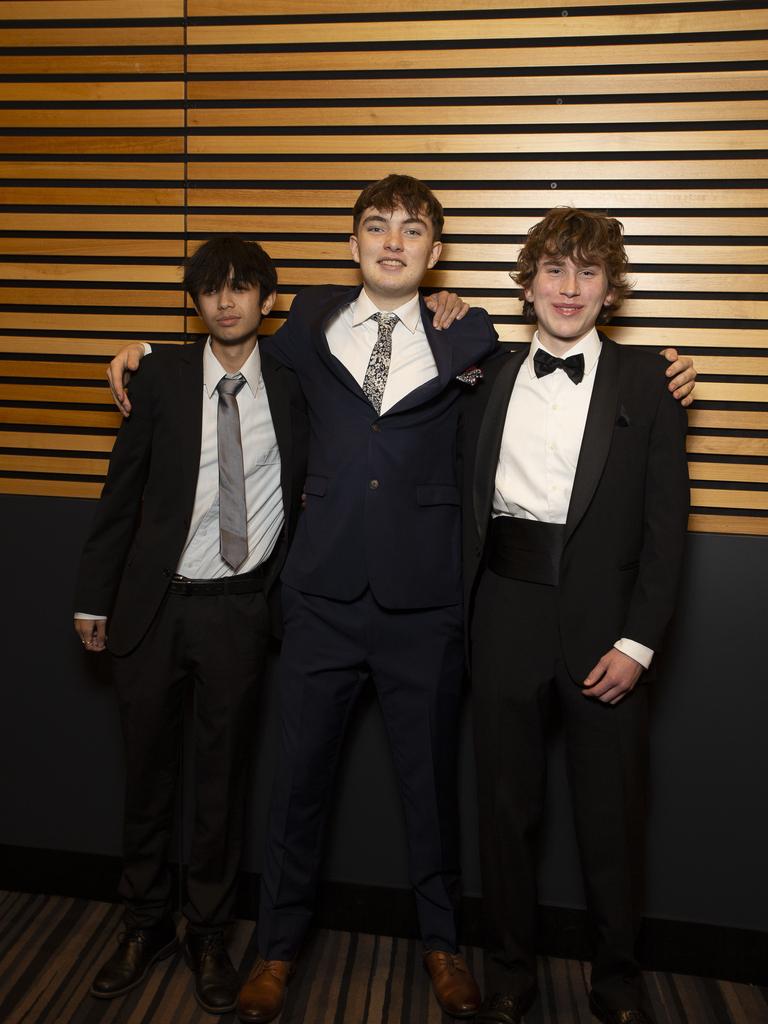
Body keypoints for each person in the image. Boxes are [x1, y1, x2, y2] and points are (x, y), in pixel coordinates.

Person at [105, 179, 697, 1023]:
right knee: (295, 785)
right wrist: (144, 352)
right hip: (320, 594)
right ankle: (275, 951)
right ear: (353, 244)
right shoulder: (305, 321)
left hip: (427, 604)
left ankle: (444, 949)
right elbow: (225, 342)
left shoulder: (472, 334)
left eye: (412, 229)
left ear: (435, 250)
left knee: (434, 790)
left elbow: (618, 433)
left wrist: (672, 370)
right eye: (376, 228)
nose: (393, 242)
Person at [461, 208, 690, 1024]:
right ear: (526, 284)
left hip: (607, 626)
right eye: (553, 270)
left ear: (611, 289)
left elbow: (668, 529)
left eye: (587, 272)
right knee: (504, 809)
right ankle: (510, 971)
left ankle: (618, 978)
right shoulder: (479, 375)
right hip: (503, 613)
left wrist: (638, 641)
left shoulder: (651, 384)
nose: (569, 287)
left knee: (611, 814)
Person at [73, 237, 308, 1015]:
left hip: (240, 612)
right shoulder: (165, 377)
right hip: (153, 608)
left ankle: (209, 935)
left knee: (221, 784)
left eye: (243, 289)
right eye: (212, 291)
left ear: (267, 300)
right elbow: (121, 493)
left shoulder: (301, 381)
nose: (227, 302)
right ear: (196, 303)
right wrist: (92, 598)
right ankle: (144, 924)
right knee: (147, 778)